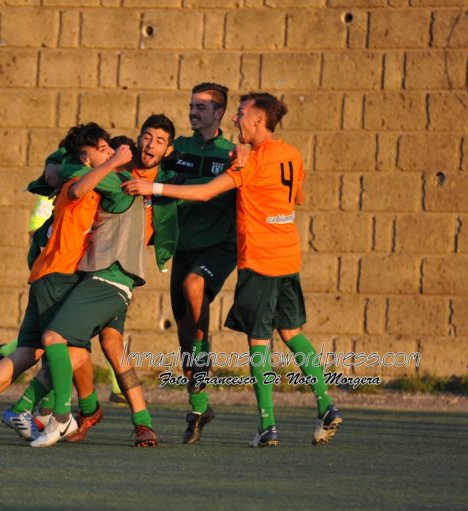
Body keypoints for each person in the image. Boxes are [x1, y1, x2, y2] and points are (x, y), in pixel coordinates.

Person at [122, 92, 343, 447]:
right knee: (292, 333)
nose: (237, 119)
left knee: (258, 343)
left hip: (259, 259)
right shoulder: (291, 153)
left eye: (241, 114)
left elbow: (208, 192)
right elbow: (298, 197)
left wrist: (154, 187)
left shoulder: (249, 161)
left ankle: (267, 426)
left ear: (257, 121)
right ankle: (326, 405)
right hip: (288, 258)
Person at [0, 123, 132, 445]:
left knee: (27, 352)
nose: (109, 152)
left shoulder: (82, 175)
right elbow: (76, 190)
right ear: (85, 157)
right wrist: (114, 162)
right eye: (102, 149)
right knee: (71, 350)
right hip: (59, 275)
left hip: (45, 275)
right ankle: (59, 416)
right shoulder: (79, 177)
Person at [30, 115, 179, 448]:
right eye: (146, 137)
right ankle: (138, 421)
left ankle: (45, 409)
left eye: (159, 140)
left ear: (168, 149)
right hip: (103, 271)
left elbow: (202, 185)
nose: (150, 144)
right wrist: (54, 165)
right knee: (108, 345)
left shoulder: (161, 177)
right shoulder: (117, 168)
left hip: (112, 273)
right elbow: (72, 160)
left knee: (61, 340)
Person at [161, 83, 237, 444]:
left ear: (219, 113)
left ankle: (204, 343)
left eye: (202, 107)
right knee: (184, 333)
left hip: (219, 246)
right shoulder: (178, 150)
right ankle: (199, 408)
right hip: (184, 246)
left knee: (195, 286)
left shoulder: (233, 153)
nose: (194, 112)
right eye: (192, 106)